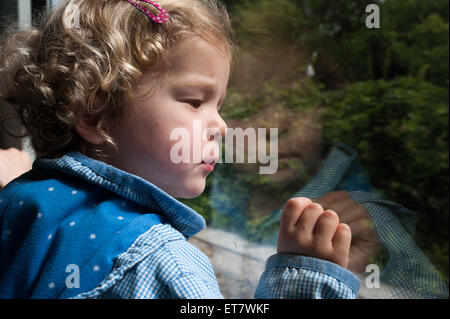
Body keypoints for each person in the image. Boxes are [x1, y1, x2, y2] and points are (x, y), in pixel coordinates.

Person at [0, 0, 359, 299]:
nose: (221, 126)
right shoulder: (162, 264)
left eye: (219, 105)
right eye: (194, 101)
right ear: (96, 115)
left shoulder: (21, 203)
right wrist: (304, 280)